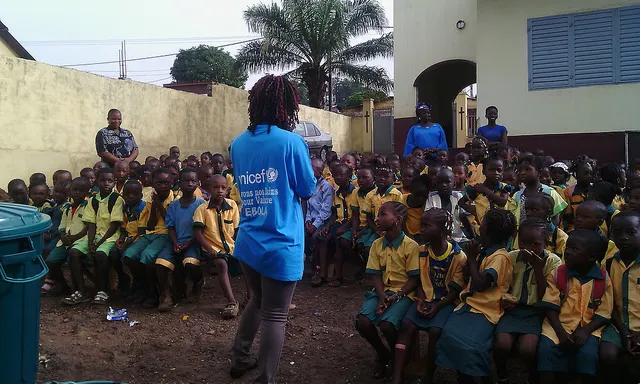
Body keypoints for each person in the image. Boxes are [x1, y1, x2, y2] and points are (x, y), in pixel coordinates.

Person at [229, 75, 316, 383]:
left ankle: (240, 356)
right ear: (287, 106)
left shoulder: (238, 143)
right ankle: (266, 378)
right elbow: (306, 188)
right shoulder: (291, 142)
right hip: (282, 242)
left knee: (257, 299)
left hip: (249, 239)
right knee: (276, 313)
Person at [436, 209, 517, 382]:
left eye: (483, 224)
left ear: (486, 230)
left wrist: (472, 259)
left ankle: (482, 376)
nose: (480, 226)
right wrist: (471, 259)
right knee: (449, 335)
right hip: (469, 305)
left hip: (486, 309)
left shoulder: (500, 257)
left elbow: (481, 285)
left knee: (472, 347)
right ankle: (464, 376)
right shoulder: (484, 249)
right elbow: (468, 276)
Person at [392, 209, 467, 384]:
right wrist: (419, 300)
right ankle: (396, 376)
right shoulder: (422, 251)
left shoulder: (457, 256)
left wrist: (437, 306)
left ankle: (428, 375)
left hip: (445, 302)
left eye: (426, 226)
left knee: (435, 332)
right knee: (406, 325)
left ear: (442, 229)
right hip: (425, 298)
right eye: (421, 225)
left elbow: (455, 289)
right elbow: (420, 280)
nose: (421, 230)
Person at [537, 230, 612, 381]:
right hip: (557, 326)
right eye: (568, 247)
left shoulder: (603, 280)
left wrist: (585, 331)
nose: (568, 252)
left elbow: (604, 313)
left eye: (575, 249)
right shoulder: (558, 274)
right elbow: (550, 307)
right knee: (546, 351)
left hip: (588, 328)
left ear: (591, 257)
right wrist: (561, 333)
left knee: (588, 355)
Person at [355, 202, 418, 379]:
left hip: (404, 294)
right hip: (382, 291)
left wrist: (396, 296)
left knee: (387, 325)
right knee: (363, 322)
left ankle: (398, 356)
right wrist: (382, 296)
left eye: (383, 214)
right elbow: (374, 274)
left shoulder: (411, 246)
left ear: (397, 220)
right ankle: (383, 354)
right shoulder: (376, 244)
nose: (378, 218)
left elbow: (414, 279)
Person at [494, 218, 562, 383]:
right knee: (502, 344)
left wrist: (538, 268)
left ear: (546, 243)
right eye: (523, 242)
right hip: (513, 310)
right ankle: (502, 375)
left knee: (528, 349)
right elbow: (502, 286)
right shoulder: (511, 257)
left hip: (536, 312)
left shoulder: (553, 262)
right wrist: (504, 299)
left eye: (535, 244)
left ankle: (532, 376)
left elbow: (545, 296)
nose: (527, 248)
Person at [63, 168, 125, 305]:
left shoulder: (116, 199)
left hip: (109, 237)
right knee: (74, 252)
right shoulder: (92, 200)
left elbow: (114, 226)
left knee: (100, 254)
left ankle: (103, 291)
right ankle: (81, 291)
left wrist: (98, 243)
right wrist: (91, 242)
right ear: (97, 181)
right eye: (103, 180)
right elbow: (91, 225)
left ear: (114, 182)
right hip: (94, 236)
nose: (106, 184)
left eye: (110, 181)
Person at [123, 168, 177, 309]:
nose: (163, 186)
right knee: (129, 255)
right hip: (150, 234)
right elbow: (151, 224)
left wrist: (159, 204)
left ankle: (154, 293)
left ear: (172, 183)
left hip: (165, 234)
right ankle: (144, 286)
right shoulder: (150, 201)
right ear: (153, 184)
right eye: (159, 183)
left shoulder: (175, 200)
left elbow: (169, 221)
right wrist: (154, 204)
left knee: (147, 255)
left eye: (166, 183)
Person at [154, 168, 205, 312]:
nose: (189, 183)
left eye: (193, 181)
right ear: (179, 183)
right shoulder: (174, 205)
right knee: (160, 264)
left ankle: (197, 281)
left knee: (190, 263)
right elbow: (170, 226)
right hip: (175, 241)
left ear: (197, 183)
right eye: (186, 180)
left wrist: (188, 243)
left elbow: (201, 229)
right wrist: (176, 242)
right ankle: (165, 295)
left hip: (193, 242)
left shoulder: (201, 204)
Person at [600, 211, 640, 382]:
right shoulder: (608, 263)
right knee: (607, 354)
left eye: (631, 233)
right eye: (617, 233)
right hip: (618, 324)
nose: (623, 238)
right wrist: (625, 333)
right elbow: (608, 303)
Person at [41, 177, 89, 296]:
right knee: (51, 261)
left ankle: (79, 289)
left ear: (87, 192)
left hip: (80, 240)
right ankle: (63, 285)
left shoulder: (88, 207)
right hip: (64, 240)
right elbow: (62, 225)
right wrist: (62, 236)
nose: (77, 193)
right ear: (70, 191)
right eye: (75, 190)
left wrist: (74, 238)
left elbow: (89, 226)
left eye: (81, 190)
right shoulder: (68, 208)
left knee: (73, 259)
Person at [315, 164, 357, 288]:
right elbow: (334, 214)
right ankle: (322, 274)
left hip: (350, 224)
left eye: (341, 175)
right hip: (337, 223)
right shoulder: (336, 193)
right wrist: (327, 226)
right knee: (322, 238)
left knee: (339, 242)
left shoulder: (355, 193)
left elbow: (356, 215)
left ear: (349, 176)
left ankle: (338, 277)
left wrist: (345, 227)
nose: (338, 178)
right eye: (335, 175)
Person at [459, 157, 514, 236]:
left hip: (501, 229)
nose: (496, 173)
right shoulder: (476, 189)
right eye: (491, 170)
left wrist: (485, 190)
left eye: (499, 170)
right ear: (484, 171)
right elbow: (461, 202)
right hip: (482, 230)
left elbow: (502, 202)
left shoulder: (503, 188)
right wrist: (472, 211)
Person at [510, 154, 567, 227]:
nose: (522, 173)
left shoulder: (550, 192)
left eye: (527, 169)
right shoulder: (517, 195)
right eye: (520, 170)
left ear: (539, 172)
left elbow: (555, 217)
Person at [305, 158, 334, 286]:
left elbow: (325, 210)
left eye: (311, 169)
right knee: (302, 235)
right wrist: (308, 221)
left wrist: (315, 225)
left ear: (320, 171)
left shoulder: (326, 187)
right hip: (313, 220)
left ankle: (319, 270)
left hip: (324, 220)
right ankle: (310, 264)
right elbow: (308, 207)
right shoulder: (309, 185)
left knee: (317, 237)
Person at [425, 168, 472, 244]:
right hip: (437, 239)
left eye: (447, 182)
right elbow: (429, 218)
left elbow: (464, 218)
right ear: (436, 184)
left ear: (454, 184)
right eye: (440, 182)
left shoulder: (458, 196)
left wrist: (472, 236)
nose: (443, 185)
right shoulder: (431, 197)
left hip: (457, 238)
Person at [563, 158, 594, 232]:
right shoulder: (568, 192)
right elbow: (567, 218)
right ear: (576, 175)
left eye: (591, 173)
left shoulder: (595, 190)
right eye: (586, 173)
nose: (589, 176)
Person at [43, 180, 72, 257]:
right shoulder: (54, 205)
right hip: (49, 234)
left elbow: (64, 224)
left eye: (62, 193)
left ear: (68, 194)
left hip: (57, 236)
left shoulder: (66, 206)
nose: (57, 195)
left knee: (47, 251)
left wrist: (52, 235)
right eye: (56, 191)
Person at [402, 175, 429, 244]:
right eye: (417, 195)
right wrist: (408, 235)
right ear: (411, 190)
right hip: (404, 234)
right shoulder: (402, 200)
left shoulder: (427, 205)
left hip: (422, 236)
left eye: (424, 196)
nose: (420, 198)